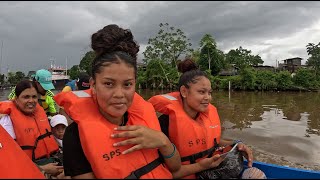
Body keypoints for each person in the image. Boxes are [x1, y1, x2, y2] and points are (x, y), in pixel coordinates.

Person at [54, 24, 181, 179]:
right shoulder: (75, 136)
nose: (119, 94)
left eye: (127, 84)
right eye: (109, 84)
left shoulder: (147, 119)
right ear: (93, 85)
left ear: (135, 84)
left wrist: (163, 141)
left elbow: (175, 166)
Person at [148, 58, 261, 179]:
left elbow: (211, 141)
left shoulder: (205, 115)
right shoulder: (164, 124)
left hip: (207, 172)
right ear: (184, 92)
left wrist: (236, 144)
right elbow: (163, 173)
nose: (208, 97)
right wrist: (201, 166)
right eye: (202, 92)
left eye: (209, 92)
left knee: (256, 175)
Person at [0, 80, 63, 177]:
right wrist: (43, 169)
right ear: (16, 99)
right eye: (26, 97)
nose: (31, 101)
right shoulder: (7, 121)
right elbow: (9, 159)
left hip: (53, 161)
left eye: (34, 97)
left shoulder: (40, 113)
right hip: (30, 169)